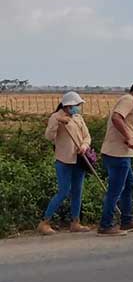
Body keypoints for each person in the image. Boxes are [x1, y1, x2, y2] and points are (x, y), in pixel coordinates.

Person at [98, 81, 133, 236]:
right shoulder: (128, 100)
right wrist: (129, 137)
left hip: (123, 153)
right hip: (117, 154)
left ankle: (126, 221)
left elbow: (129, 128)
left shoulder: (130, 104)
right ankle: (105, 225)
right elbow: (116, 118)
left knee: (128, 185)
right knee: (116, 190)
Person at [38, 92, 92, 235]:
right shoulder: (55, 117)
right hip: (64, 160)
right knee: (63, 192)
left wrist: (84, 146)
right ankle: (45, 222)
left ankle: (75, 222)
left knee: (77, 192)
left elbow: (87, 136)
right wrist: (58, 123)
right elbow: (49, 136)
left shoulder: (78, 117)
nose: (78, 108)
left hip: (80, 160)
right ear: (68, 105)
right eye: (76, 105)